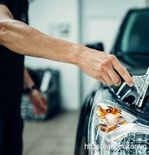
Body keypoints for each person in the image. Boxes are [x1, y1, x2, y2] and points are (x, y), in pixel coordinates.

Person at [0, 0, 134, 154]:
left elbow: (11, 56)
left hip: (11, 108)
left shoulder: (22, 4)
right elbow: (3, 29)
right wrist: (80, 54)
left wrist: (32, 90)